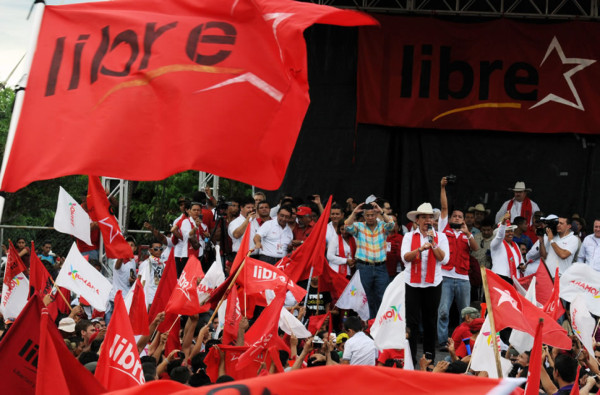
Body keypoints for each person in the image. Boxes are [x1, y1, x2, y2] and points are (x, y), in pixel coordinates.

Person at [400, 202, 449, 364]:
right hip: (412, 284)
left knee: (430, 321)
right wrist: (420, 249)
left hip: (433, 284)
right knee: (411, 323)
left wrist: (433, 243)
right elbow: (405, 258)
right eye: (424, 217)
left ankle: (429, 358)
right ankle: (411, 357)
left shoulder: (440, 237)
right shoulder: (408, 236)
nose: (428, 220)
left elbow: (444, 259)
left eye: (430, 217)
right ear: (417, 220)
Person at [437, 177, 479, 349]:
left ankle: (466, 342)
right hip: (445, 276)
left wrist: (467, 232)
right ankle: (442, 341)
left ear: (464, 220)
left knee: (466, 313)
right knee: (443, 311)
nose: (456, 217)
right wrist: (442, 188)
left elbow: (475, 248)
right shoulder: (443, 229)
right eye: (454, 215)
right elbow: (445, 207)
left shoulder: (466, 234)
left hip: (462, 278)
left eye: (460, 217)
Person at [345, 202, 395, 319]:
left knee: (382, 296)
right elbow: (347, 226)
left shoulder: (383, 225)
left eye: (373, 215)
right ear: (364, 216)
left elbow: (392, 224)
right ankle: (368, 325)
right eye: (368, 215)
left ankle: (380, 323)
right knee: (365, 297)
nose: (370, 217)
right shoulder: (359, 226)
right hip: (364, 267)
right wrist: (354, 212)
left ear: (376, 215)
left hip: (380, 267)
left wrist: (381, 211)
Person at [106, 236, 137, 324]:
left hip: (127, 298)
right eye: (126, 245)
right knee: (115, 326)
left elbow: (132, 278)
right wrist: (123, 253)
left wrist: (133, 281)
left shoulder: (133, 261)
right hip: (117, 299)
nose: (129, 247)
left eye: (131, 245)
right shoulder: (118, 260)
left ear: (135, 248)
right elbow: (117, 266)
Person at [137, 240, 165, 307]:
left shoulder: (163, 264)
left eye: (160, 249)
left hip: (160, 298)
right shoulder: (145, 264)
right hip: (149, 299)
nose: (158, 251)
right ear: (150, 250)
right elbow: (139, 282)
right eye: (156, 249)